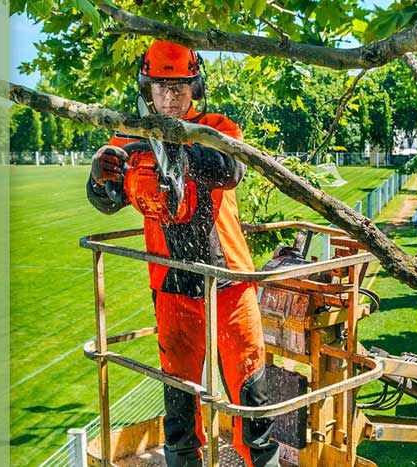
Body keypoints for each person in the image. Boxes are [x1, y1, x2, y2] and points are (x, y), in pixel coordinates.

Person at [86, 40, 279, 467]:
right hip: (171, 283)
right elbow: (106, 197)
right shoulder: (129, 138)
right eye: (161, 87)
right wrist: (102, 176)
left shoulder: (217, 128)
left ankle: (261, 459)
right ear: (147, 88)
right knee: (179, 393)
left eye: (179, 87)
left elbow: (231, 169)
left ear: (195, 87)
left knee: (251, 390)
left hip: (229, 280)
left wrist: (176, 148)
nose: (170, 96)